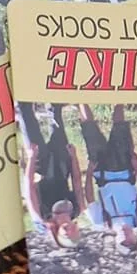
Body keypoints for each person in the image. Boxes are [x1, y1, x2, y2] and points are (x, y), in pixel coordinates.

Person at [78, 105, 137, 249]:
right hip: (125, 169)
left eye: (123, 242)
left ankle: (81, 98)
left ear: (116, 240)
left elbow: (90, 198)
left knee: (89, 129)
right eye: (130, 241)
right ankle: (118, 97)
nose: (126, 238)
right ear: (135, 238)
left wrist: (89, 172)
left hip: (101, 172)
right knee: (120, 125)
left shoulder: (101, 221)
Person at [20, 102, 84, 246]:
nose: (69, 233)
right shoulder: (77, 208)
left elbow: (29, 189)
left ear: (57, 234)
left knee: (28, 120)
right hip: (61, 167)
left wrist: (30, 158)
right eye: (74, 235)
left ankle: (22, 99)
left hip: (40, 167)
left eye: (66, 237)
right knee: (58, 122)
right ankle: (53, 105)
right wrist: (73, 157)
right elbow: (77, 183)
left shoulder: (42, 215)